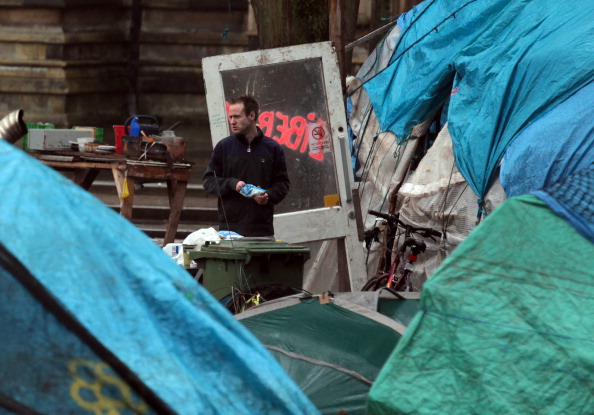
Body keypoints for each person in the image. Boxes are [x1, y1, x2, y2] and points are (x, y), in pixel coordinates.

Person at [203, 95, 290, 237]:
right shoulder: (223, 147)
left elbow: (283, 183)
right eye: (230, 117)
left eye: (237, 117)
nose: (232, 122)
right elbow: (209, 181)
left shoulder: (272, 148)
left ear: (251, 115)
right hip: (230, 230)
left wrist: (268, 195)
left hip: (262, 229)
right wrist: (232, 183)